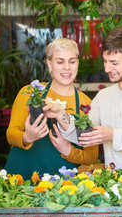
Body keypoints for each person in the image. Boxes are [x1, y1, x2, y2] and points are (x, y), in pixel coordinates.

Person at [43, 26, 122, 174]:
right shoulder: (103, 96)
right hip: (116, 185)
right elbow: (84, 135)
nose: (107, 68)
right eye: (105, 61)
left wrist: (113, 135)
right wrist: (61, 115)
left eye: (114, 63)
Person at [5, 38, 98, 179]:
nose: (67, 67)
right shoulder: (30, 93)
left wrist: (68, 151)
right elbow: (11, 133)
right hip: (20, 178)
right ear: (49, 64)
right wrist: (27, 137)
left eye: (72, 61)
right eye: (60, 62)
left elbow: (91, 156)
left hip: (60, 187)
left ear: (77, 64)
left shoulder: (86, 105)